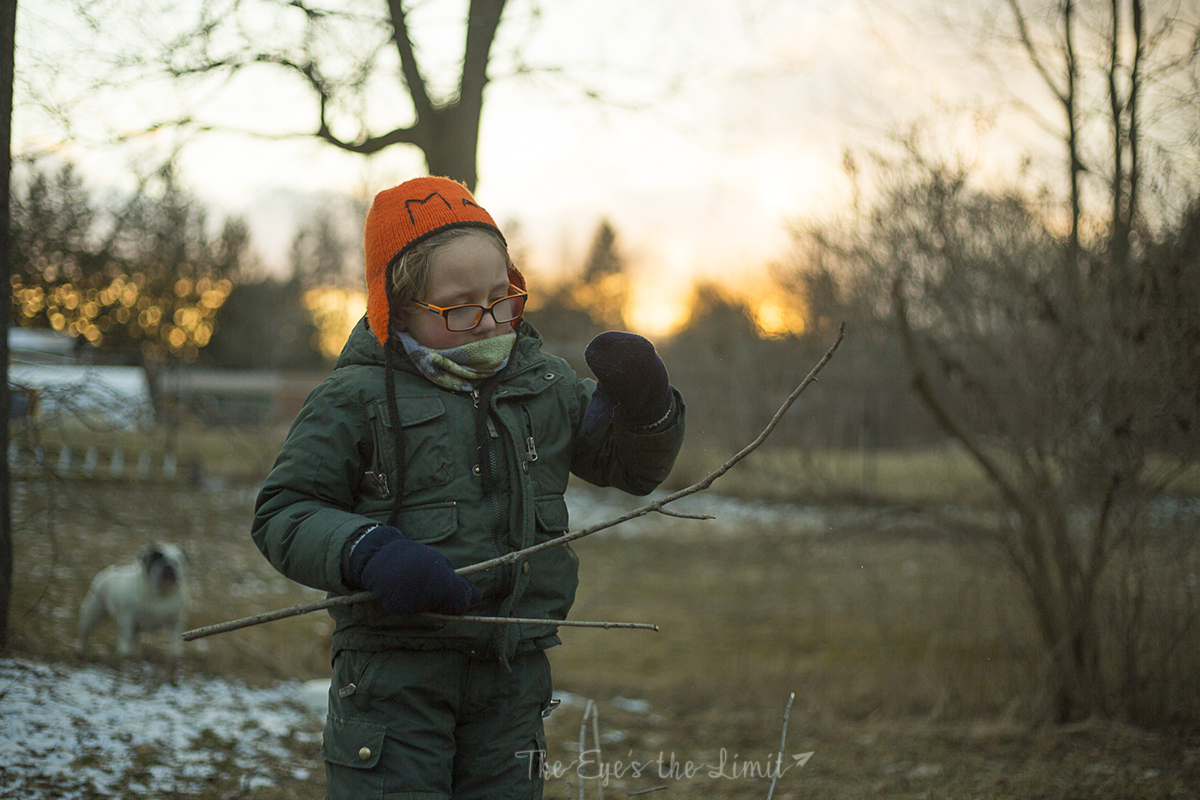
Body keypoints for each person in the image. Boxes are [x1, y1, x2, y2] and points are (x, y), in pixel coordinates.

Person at [251, 176, 685, 799]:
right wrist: (365, 549)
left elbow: (631, 468)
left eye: (501, 297)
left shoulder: (542, 385)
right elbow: (284, 511)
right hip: (392, 685)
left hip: (512, 682)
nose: (488, 322)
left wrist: (648, 408)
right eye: (460, 307)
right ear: (395, 309)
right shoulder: (356, 399)